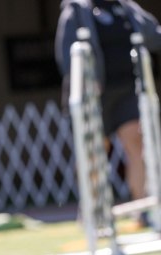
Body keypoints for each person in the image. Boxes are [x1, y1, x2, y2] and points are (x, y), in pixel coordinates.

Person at [55, 0, 161, 201]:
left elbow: (153, 34)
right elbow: (67, 54)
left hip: (128, 89)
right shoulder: (77, 10)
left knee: (137, 144)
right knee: (94, 153)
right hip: (94, 95)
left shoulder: (125, 7)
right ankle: (93, 209)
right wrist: (86, 81)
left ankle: (142, 207)